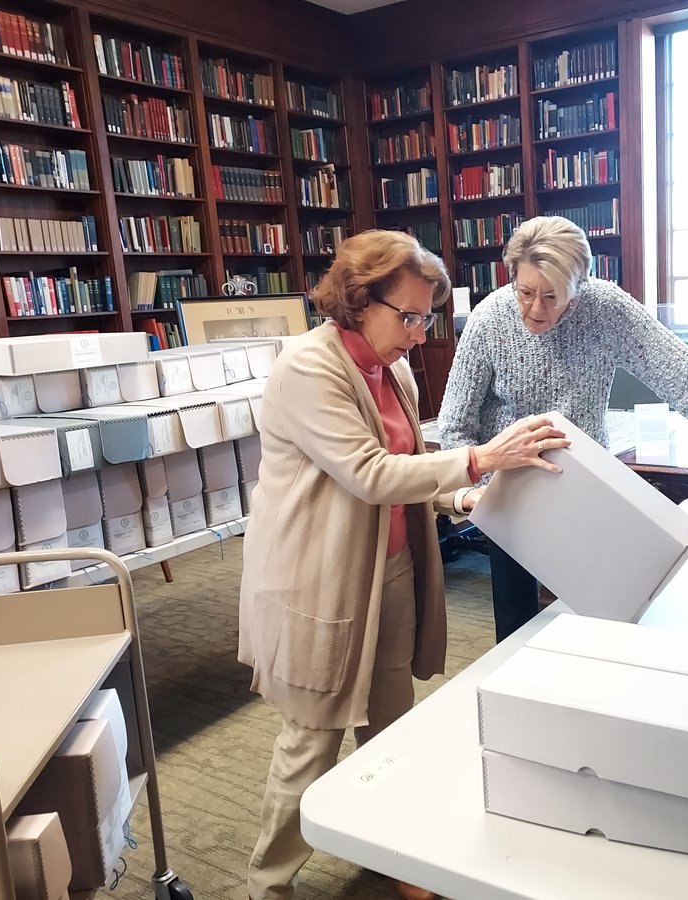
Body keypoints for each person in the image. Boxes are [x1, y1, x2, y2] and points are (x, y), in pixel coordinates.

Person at [238, 229, 569, 900]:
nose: (421, 333)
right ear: (360, 300)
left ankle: (388, 851)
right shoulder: (309, 367)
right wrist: (479, 458)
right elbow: (369, 474)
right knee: (312, 742)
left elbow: (414, 462)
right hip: (319, 583)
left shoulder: (390, 366)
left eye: (428, 317)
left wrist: (468, 494)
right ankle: (266, 885)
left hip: (388, 570)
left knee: (390, 727)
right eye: (409, 316)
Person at [438, 215, 688, 643]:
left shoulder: (605, 308)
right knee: (516, 632)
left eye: (552, 296)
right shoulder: (489, 320)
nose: (534, 309)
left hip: (585, 487)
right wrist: (480, 490)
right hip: (509, 497)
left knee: (601, 619)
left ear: (579, 288)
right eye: (525, 292)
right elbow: (455, 425)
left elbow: (682, 372)